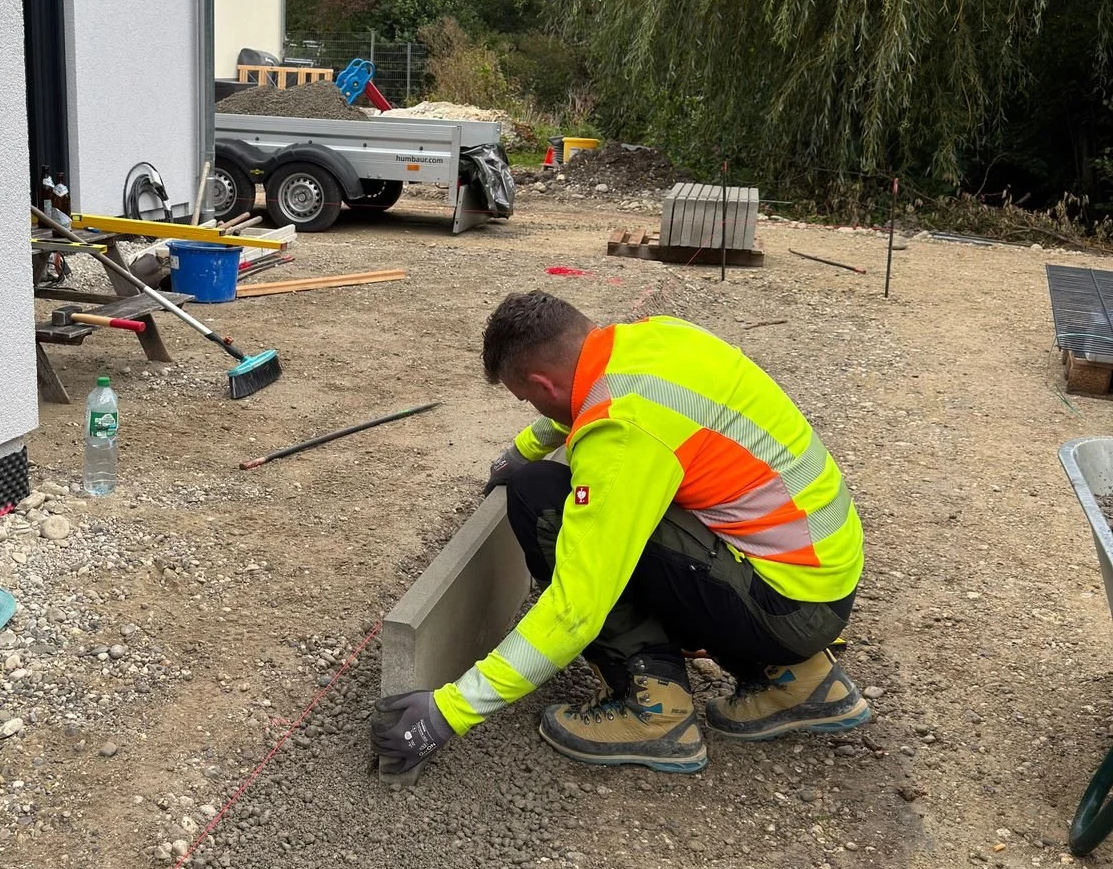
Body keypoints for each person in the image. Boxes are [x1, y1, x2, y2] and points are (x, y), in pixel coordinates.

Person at [371, 291, 869, 784]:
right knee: (608, 498)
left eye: (527, 399)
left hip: (786, 610)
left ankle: (655, 710)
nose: (534, 409)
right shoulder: (653, 339)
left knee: (539, 499)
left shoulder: (623, 435)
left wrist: (446, 713)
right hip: (818, 582)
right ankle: (801, 681)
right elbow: (584, 394)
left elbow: (575, 608)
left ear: (542, 384)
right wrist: (524, 447)